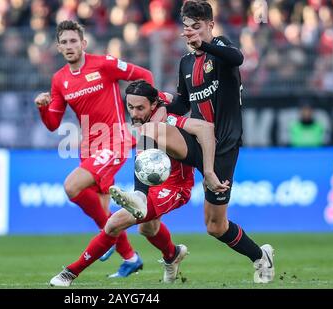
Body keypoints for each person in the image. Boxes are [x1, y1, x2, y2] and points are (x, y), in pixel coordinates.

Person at [111, 1, 275, 284]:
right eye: (187, 28)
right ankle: (141, 194)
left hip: (222, 144)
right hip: (196, 139)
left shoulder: (221, 49)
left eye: (197, 27)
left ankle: (260, 256)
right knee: (152, 129)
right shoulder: (186, 62)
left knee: (215, 226)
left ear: (210, 25)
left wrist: (204, 43)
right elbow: (184, 102)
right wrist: (161, 101)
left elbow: (237, 58)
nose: (191, 33)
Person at [49, 80, 217, 287]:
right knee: (148, 229)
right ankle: (172, 255)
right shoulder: (147, 122)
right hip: (155, 183)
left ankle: (69, 273)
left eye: (140, 108)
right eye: (130, 107)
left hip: (175, 188)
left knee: (114, 223)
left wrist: (208, 173)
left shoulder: (168, 123)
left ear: (153, 105)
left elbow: (196, 135)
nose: (134, 113)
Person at [35, 20, 156, 277]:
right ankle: (131, 257)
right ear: (58, 47)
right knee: (103, 213)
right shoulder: (59, 80)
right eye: (64, 42)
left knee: (71, 186)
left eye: (73, 41)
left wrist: (140, 111)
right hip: (89, 146)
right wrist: (43, 107)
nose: (69, 46)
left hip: (114, 140)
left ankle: (107, 241)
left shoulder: (104, 64)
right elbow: (53, 124)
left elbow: (145, 76)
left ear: (83, 43)